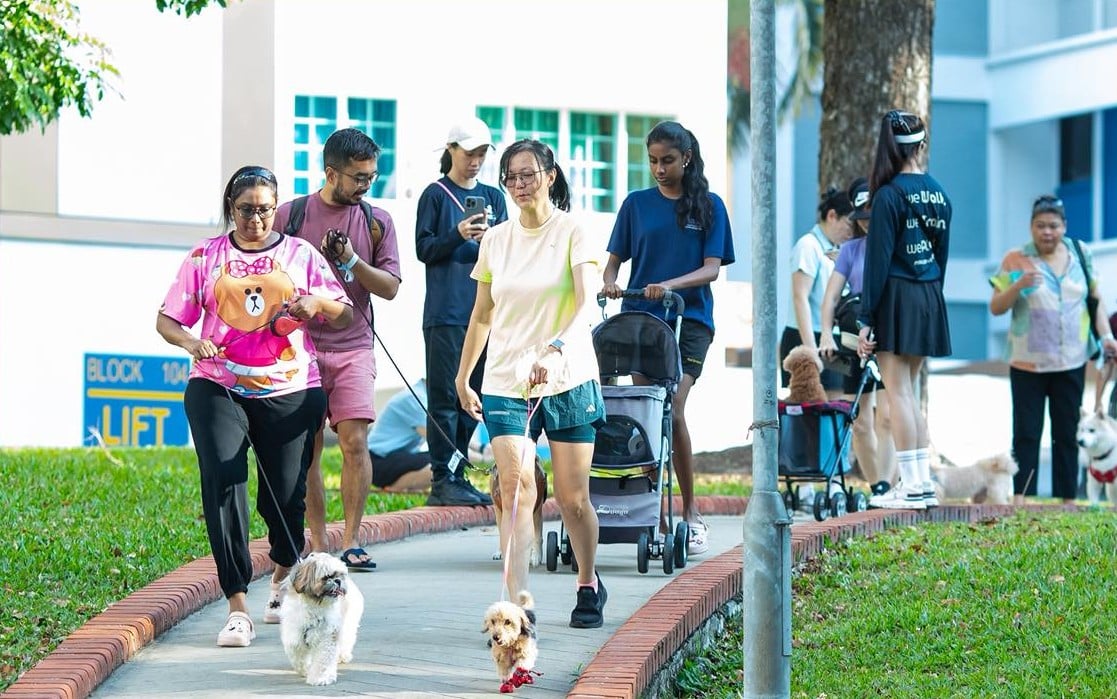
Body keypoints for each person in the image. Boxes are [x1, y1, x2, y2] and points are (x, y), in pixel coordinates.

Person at [155, 165, 353, 647]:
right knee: (223, 478)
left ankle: (283, 574)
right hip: (218, 384)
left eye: (265, 210)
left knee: (284, 500)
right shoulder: (206, 256)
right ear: (231, 210)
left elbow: (343, 311)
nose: (256, 219)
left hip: (290, 389)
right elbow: (167, 320)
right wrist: (191, 343)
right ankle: (237, 604)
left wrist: (316, 307)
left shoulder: (300, 255)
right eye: (246, 210)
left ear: (276, 209)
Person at [456, 139, 608, 628]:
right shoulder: (495, 240)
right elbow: (482, 314)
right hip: (506, 378)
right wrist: (464, 376)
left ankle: (588, 580)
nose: (519, 185)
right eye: (510, 178)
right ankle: (519, 602)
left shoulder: (573, 232)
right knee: (516, 485)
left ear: (550, 176)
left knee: (572, 498)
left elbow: (586, 302)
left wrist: (555, 349)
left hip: (566, 377)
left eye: (527, 175)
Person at [601, 120, 735, 556]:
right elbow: (613, 262)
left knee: (672, 406)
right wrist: (608, 282)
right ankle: (653, 513)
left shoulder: (710, 206)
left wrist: (672, 285)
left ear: (687, 159)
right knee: (645, 413)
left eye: (668, 161)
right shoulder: (636, 205)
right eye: (653, 161)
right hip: (641, 319)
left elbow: (712, 268)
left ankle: (691, 510)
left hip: (688, 319)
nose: (659, 169)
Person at [272, 128, 402, 572]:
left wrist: (352, 262)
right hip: (299, 348)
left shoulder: (376, 221)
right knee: (307, 450)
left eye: (372, 176)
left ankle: (351, 541)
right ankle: (318, 542)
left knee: (354, 441)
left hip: (353, 347)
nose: (366, 185)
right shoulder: (290, 216)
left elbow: (389, 288)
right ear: (331, 172)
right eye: (358, 177)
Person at [989, 194, 1117, 504]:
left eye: (1054, 226)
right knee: (1027, 433)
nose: (1047, 232)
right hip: (1027, 362)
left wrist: (1107, 337)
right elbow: (996, 307)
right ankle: (1023, 497)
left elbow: (1095, 302)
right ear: (1031, 227)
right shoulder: (1015, 259)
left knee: (1067, 434)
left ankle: (1066, 500)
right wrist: (1017, 287)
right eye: (1040, 226)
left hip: (1070, 360)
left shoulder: (1080, 254)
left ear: (1064, 227)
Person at [856, 109, 952, 510]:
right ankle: (921, 482)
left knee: (897, 394)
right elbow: (941, 258)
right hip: (929, 294)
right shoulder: (939, 194)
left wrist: (866, 319)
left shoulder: (889, 195)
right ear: (922, 144)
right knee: (909, 392)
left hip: (897, 294)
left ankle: (912, 484)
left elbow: (877, 263)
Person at [416, 116, 509, 506]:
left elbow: (510, 250)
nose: (475, 161)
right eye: (468, 153)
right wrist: (457, 235)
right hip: (446, 312)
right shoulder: (435, 195)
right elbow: (425, 250)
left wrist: (490, 240)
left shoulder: (495, 196)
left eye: (482, 154)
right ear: (451, 150)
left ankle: (456, 468)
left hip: (486, 314)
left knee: (476, 396)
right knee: (444, 396)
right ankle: (443, 476)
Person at [819, 177, 896, 490]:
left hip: (890, 336)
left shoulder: (895, 244)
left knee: (889, 416)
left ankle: (888, 486)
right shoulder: (850, 250)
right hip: (855, 340)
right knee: (860, 421)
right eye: (861, 217)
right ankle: (876, 482)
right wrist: (826, 333)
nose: (867, 224)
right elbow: (831, 297)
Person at [780, 186, 855, 397]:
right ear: (832, 216)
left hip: (832, 340)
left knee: (837, 404)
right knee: (812, 405)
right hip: (808, 336)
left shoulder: (839, 250)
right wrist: (811, 350)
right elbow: (800, 297)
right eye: (849, 224)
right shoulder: (808, 246)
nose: (851, 232)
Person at [366, 379, 435, 492]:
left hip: (392, 457)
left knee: (445, 462)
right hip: (377, 461)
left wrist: (473, 451)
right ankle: (396, 488)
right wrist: (471, 459)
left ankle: (405, 487)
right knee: (443, 464)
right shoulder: (415, 398)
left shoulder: (421, 395)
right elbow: (439, 441)